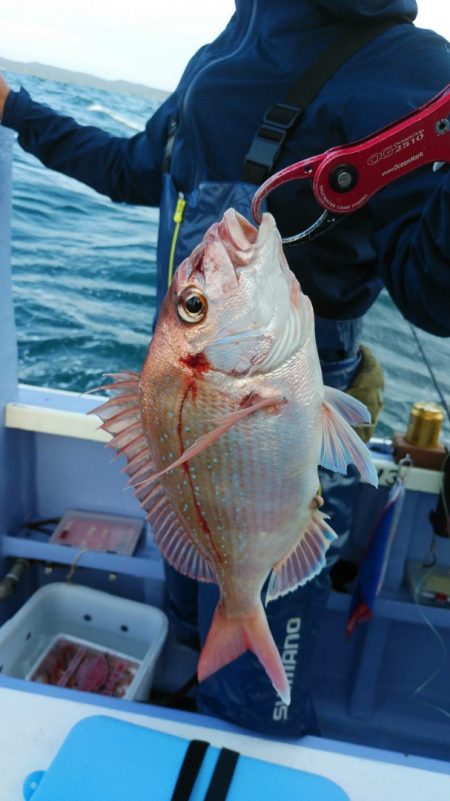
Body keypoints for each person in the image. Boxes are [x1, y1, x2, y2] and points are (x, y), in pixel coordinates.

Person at [1, 0, 449, 734]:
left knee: (254, 701)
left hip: (279, 414)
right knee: (190, 610)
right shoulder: (229, 45)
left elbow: (432, 290)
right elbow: (134, 168)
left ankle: (242, 726)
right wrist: (17, 110)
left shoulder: (410, 71)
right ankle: (192, 706)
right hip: (189, 425)